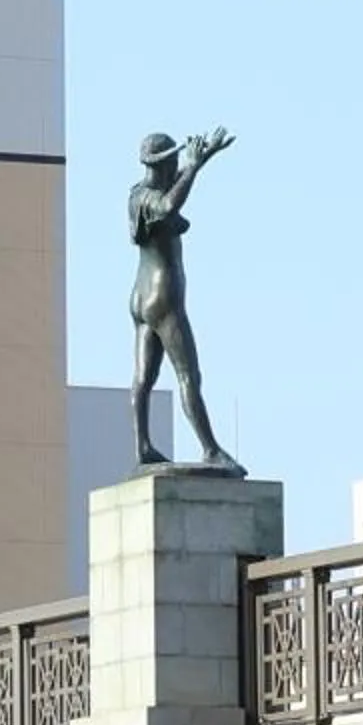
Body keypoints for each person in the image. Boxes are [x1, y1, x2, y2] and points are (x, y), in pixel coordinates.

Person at [129, 128, 243, 474]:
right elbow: (168, 205)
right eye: (175, 159)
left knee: (144, 377)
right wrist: (193, 168)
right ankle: (210, 448)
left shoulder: (138, 193)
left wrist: (201, 160)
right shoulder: (149, 197)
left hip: (141, 294)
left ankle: (143, 445)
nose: (180, 162)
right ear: (163, 164)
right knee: (188, 374)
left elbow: (173, 190)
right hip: (163, 297)